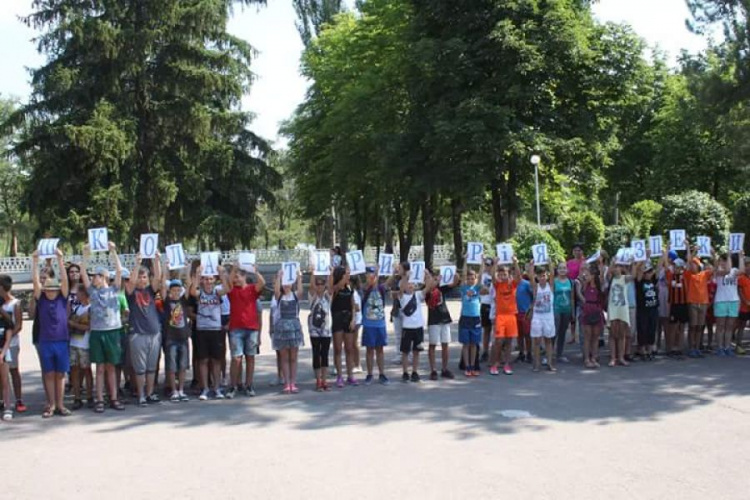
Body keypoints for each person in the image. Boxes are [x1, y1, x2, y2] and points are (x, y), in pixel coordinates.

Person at [80, 242, 125, 413]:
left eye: (96, 276)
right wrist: (85, 254)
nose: (93, 278)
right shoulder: (92, 292)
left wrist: (113, 250)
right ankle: (99, 399)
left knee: (111, 367)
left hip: (113, 331)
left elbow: (119, 271)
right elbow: (83, 272)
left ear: (103, 277)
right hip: (97, 332)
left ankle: (113, 397)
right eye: (93, 277)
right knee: (99, 367)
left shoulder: (114, 289)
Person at [32, 248, 70, 418]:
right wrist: (35, 261)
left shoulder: (63, 297)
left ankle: (61, 405)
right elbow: (35, 281)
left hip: (61, 340)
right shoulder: (41, 299)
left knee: (61, 374)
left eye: (54, 288)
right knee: (48, 373)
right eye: (48, 289)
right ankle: (52, 405)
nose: (51, 291)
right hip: (46, 341)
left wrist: (60, 260)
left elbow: (65, 281)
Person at [123, 253, 164, 406]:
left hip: (154, 333)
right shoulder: (132, 292)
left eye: (144, 277)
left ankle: (150, 393)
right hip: (137, 334)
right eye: (140, 277)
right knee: (139, 368)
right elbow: (131, 282)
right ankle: (141, 395)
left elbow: (158, 278)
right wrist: (137, 263)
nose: (142, 279)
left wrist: (156, 260)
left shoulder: (151, 291)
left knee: (151, 367)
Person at [220, 263, 265, 398]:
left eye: (238, 277)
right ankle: (233, 386)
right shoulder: (232, 291)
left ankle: (249, 385)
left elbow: (262, 282)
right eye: (235, 277)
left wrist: (256, 271)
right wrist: (234, 269)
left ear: (244, 277)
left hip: (251, 329)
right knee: (236, 359)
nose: (235, 280)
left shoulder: (252, 289)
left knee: (250, 358)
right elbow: (228, 281)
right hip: (236, 329)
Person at [190, 264, 227, 400]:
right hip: (202, 330)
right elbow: (192, 291)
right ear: (202, 281)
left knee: (216, 361)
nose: (208, 282)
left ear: (214, 280)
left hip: (216, 330)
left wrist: (221, 274)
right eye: (205, 279)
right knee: (203, 360)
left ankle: (217, 388)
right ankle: (205, 388)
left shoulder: (217, 291)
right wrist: (197, 275)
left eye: (211, 279)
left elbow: (227, 288)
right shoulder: (200, 293)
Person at [272, 267, 304, 394]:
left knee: (293, 357)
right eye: (284, 283)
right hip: (282, 328)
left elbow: (301, 291)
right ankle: (286, 383)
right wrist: (279, 277)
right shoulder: (279, 297)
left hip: (294, 328)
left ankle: (293, 382)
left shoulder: (295, 296)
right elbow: (276, 291)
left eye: (288, 282)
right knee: (284, 357)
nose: (286, 285)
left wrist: (299, 277)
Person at [490, 256, 522, 375]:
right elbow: (493, 276)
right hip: (500, 316)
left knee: (509, 341)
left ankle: (507, 364)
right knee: (498, 341)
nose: (503, 276)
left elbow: (519, 276)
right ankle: (495, 364)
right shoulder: (497, 285)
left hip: (511, 316)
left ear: (509, 275)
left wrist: (515, 262)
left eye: (505, 274)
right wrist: (495, 264)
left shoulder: (513, 284)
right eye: (501, 274)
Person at [424, 267, 457, 381]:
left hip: (444, 318)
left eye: (430, 277)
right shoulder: (426, 290)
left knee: (445, 344)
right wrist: (435, 280)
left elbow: (453, 284)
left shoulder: (441, 288)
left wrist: (454, 274)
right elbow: (430, 289)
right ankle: (433, 370)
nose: (430, 280)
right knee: (432, 344)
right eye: (427, 278)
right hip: (433, 320)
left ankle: (444, 368)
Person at [361, 266, 391, 385]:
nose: (371, 277)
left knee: (380, 349)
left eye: (373, 275)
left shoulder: (381, 288)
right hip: (369, 324)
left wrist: (393, 271)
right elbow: (367, 286)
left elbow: (389, 281)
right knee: (369, 350)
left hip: (380, 324)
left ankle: (382, 374)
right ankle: (369, 374)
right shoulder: (365, 289)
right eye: (369, 275)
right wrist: (373, 280)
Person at [163, 279, 192, 402]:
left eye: (178, 290)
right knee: (172, 366)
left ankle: (181, 390)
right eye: (173, 290)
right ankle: (174, 391)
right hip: (171, 338)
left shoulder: (183, 301)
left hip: (183, 338)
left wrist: (189, 269)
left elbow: (189, 284)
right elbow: (162, 287)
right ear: (170, 291)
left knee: (182, 366)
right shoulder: (167, 301)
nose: (176, 292)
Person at [398, 264, 428, 382]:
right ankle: (405, 372)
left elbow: (428, 286)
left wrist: (427, 275)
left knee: (416, 351)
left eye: (412, 284)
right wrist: (406, 276)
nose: (410, 285)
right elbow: (400, 287)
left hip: (418, 327)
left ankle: (415, 371)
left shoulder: (418, 295)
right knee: (405, 351)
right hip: (407, 327)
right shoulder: (402, 296)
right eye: (408, 284)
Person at [684, 241, 713, 358]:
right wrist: (693, 250)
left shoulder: (704, 274)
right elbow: (688, 261)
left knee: (700, 326)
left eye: (695, 264)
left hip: (703, 303)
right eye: (692, 264)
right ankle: (691, 348)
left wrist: (713, 254)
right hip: (693, 302)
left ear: (699, 265)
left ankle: (697, 348)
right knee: (693, 326)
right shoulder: (688, 274)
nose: (693, 266)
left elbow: (715, 268)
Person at [0, 275, 23, 418]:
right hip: (1, 343)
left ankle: (19, 399)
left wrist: (6, 338)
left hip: (11, 342)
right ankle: (3, 400)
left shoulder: (15, 303)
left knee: (14, 371)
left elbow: (18, 325)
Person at [713, 252, 744, 356]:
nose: (724, 262)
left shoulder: (734, 271)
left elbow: (742, 271)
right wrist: (728, 256)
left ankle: (727, 347)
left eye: (725, 260)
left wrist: (740, 257)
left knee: (730, 326)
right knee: (720, 326)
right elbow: (726, 271)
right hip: (721, 300)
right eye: (722, 260)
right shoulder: (718, 271)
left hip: (733, 301)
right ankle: (720, 347)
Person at [67, 284, 93, 410]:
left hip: (85, 344)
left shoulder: (91, 308)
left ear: (84, 294)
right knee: (75, 371)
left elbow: (89, 327)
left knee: (87, 371)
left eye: (79, 293)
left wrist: (73, 324)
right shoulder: (76, 308)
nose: (76, 295)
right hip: (74, 343)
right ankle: (77, 397)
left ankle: (89, 396)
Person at [331, 266, 357, 387]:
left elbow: (352, 305)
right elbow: (333, 289)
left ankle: (350, 375)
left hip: (348, 318)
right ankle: (339, 376)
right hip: (337, 317)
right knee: (338, 349)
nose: (348, 275)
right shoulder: (336, 288)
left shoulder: (349, 287)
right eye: (346, 273)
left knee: (349, 348)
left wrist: (353, 319)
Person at [528, 263, 556, 372]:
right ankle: (536, 364)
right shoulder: (536, 287)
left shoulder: (550, 286)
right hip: (537, 317)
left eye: (544, 275)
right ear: (537, 277)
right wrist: (531, 265)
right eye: (540, 276)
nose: (542, 278)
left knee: (548, 340)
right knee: (537, 341)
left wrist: (550, 263)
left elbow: (553, 274)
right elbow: (530, 276)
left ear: (547, 276)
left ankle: (549, 363)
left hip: (548, 317)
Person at [579, 260, 606, 369]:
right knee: (587, 336)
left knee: (595, 336)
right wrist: (586, 279)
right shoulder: (585, 285)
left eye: (590, 274)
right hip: (587, 310)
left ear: (594, 275)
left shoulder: (599, 286)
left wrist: (600, 264)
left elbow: (603, 277)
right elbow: (582, 288)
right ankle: (587, 359)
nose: (587, 276)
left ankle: (594, 357)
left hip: (597, 310)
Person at [607, 257, 634, 367]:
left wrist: (634, 263)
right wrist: (613, 262)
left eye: (619, 267)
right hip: (613, 309)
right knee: (613, 334)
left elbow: (634, 276)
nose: (617, 269)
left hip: (622, 309)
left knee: (622, 334)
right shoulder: (611, 278)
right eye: (615, 267)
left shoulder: (625, 278)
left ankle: (621, 357)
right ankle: (613, 358)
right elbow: (608, 271)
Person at [634, 256, 662, 361]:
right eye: (648, 272)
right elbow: (639, 271)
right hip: (643, 309)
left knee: (652, 329)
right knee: (642, 329)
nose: (650, 274)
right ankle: (642, 350)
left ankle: (650, 349)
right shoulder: (639, 282)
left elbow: (659, 267)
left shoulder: (653, 281)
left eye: (650, 272)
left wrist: (664, 252)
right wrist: (643, 258)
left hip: (653, 309)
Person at [308, 273, 332, 391]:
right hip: (314, 330)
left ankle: (325, 380)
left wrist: (330, 274)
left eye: (322, 285)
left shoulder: (328, 296)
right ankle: (318, 380)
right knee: (316, 355)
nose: (319, 287)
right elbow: (311, 287)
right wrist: (312, 272)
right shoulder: (312, 297)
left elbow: (331, 286)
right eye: (317, 285)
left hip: (326, 330)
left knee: (325, 355)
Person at [458, 261, 483, 376]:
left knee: (474, 344)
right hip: (465, 318)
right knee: (466, 344)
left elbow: (481, 275)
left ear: (475, 279)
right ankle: (467, 366)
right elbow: (462, 275)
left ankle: (473, 366)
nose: (470, 280)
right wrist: (465, 261)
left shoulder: (477, 288)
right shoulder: (463, 288)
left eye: (472, 278)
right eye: (468, 278)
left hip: (475, 318)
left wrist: (482, 262)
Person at [666, 258, 689, 360]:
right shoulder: (670, 276)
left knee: (682, 327)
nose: (676, 268)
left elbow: (689, 262)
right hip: (674, 305)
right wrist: (666, 251)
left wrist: (689, 248)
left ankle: (680, 348)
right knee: (673, 328)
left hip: (683, 304)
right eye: (675, 266)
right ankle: (671, 349)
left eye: (678, 266)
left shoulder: (685, 276)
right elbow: (666, 266)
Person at [553, 263, 574, 363]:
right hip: (556, 310)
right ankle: (549, 354)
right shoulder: (554, 281)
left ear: (567, 270)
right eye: (560, 268)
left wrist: (572, 312)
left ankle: (559, 354)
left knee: (562, 333)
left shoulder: (570, 282)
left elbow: (572, 298)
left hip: (567, 310)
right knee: (554, 332)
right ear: (557, 270)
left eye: (564, 268)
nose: (562, 270)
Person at [515, 265, 534, 364]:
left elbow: (534, 296)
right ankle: (521, 353)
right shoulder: (512, 284)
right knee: (519, 335)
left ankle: (529, 353)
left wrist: (531, 309)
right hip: (515, 313)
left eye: (518, 273)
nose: (516, 275)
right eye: (514, 273)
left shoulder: (526, 284)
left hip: (525, 313)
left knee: (527, 334)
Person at [479, 257, 494, 362]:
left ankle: (496, 352)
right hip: (485, 304)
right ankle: (485, 351)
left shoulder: (496, 276)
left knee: (496, 330)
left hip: (495, 305)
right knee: (486, 330)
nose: (488, 267)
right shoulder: (483, 275)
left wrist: (487, 290)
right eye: (486, 264)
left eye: (490, 265)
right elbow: (481, 290)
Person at [736, 257, 750, 355]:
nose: (748, 267)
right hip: (744, 306)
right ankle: (738, 345)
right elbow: (739, 291)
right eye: (746, 265)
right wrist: (745, 301)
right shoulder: (741, 278)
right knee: (741, 325)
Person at [351, 275, 363, 373]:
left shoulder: (354, 293)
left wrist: (349, 303)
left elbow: (358, 308)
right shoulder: (353, 292)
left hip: (356, 320)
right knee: (351, 343)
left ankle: (358, 364)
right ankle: (353, 363)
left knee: (354, 343)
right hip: (353, 320)